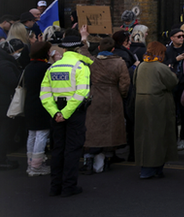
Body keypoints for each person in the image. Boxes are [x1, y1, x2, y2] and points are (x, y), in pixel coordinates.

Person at [40, 30, 90, 196]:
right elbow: (81, 93)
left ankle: (55, 187)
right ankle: (69, 187)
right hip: (73, 112)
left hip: (56, 112)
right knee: (72, 150)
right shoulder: (80, 67)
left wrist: (56, 113)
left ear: (64, 50)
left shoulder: (53, 67)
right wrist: (66, 113)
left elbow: (45, 94)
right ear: (77, 49)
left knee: (57, 149)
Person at [82, 37, 129, 174]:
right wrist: (122, 95)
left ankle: (89, 161)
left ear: (99, 48)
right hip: (112, 96)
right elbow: (124, 84)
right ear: (113, 49)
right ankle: (108, 159)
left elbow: (84, 54)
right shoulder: (119, 62)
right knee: (111, 129)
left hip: (94, 95)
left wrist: (84, 39)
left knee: (92, 128)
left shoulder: (93, 61)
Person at [133, 41, 178, 179]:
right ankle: (155, 168)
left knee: (144, 135)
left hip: (141, 103)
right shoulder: (160, 67)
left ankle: (147, 167)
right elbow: (173, 82)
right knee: (158, 135)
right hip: (158, 103)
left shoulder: (140, 66)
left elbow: (134, 82)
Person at [23, 41, 52, 176]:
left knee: (32, 134)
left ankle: (31, 163)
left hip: (29, 103)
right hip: (42, 104)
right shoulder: (46, 68)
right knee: (42, 134)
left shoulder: (28, 67)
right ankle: (37, 166)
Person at [0, 36, 25, 170]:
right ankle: (2, 159)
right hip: (5, 102)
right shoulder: (6, 65)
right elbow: (13, 82)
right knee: (5, 132)